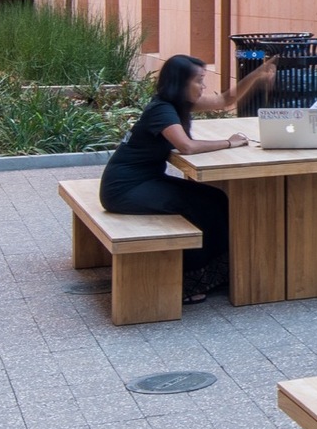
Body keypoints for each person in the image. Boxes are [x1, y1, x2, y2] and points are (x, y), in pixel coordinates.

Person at [99, 51, 275, 302]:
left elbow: (225, 100)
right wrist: (229, 142)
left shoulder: (177, 104)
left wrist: (256, 76)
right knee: (197, 207)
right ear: (181, 83)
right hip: (124, 189)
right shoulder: (161, 110)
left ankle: (220, 271)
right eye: (199, 80)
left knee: (215, 198)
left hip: (144, 181)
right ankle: (191, 283)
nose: (204, 86)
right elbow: (187, 147)